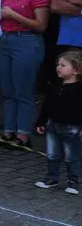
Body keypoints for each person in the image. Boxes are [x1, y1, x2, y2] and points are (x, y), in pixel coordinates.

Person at [0, 0, 49, 148]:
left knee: (23, 91)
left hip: (27, 41)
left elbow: (41, 25)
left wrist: (13, 15)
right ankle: (8, 131)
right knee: (8, 90)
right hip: (7, 40)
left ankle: (23, 134)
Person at [34, 50, 82, 194]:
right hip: (53, 126)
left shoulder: (79, 89)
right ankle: (51, 178)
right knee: (52, 155)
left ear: (76, 70)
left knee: (70, 157)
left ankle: (73, 182)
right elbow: (46, 105)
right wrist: (41, 122)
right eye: (58, 64)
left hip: (72, 128)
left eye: (63, 65)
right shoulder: (54, 86)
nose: (58, 68)